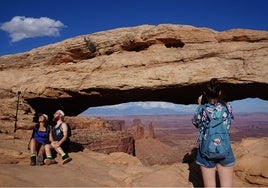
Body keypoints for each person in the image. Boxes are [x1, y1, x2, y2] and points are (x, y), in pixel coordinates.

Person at [192, 78, 236, 187]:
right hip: (225, 148)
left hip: (206, 150)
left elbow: (196, 124)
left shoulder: (201, 109)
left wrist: (200, 105)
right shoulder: (228, 107)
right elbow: (228, 124)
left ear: (205, 94)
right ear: (220, 92)